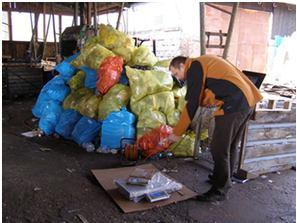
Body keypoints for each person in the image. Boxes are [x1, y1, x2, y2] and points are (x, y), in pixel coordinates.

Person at [168, 55, 262, 202]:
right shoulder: (204, 62)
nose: (177, 78)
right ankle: (223, 179)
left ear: (182, 66)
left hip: (235, 103)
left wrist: (177, 132)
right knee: (229, 146)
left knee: (218, 148)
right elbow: (210, 92)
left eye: (175, 73)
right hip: (246, 102)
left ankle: (219, 190)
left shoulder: (194, 67)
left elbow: (192, 103)